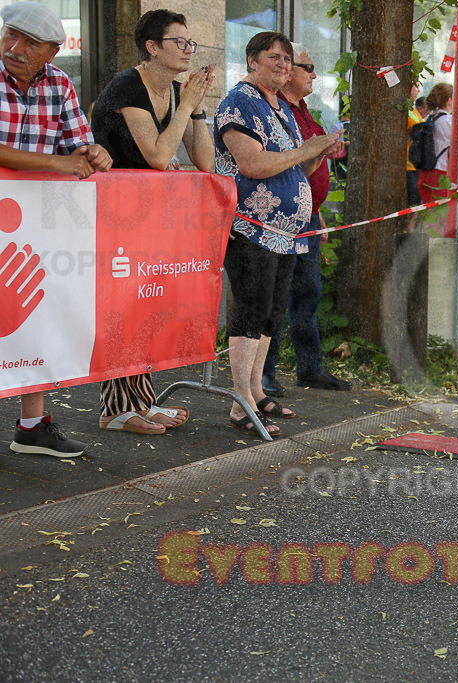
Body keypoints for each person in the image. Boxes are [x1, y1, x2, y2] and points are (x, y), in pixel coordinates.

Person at [90, 8, 214, 435]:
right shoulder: (128, 85)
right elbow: (159, 157)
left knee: (145, 304)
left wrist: (194, 109)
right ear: (152, 47)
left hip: (146, 216)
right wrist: (186, 107)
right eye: (179, 42)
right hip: (112, 212)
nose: (188, 50)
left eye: (190, 42)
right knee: (122, 307)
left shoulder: (177, 91)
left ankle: (141, 400)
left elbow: (205, 160)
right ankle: (116, 409)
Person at [0, 1, 113, 458]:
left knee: (35, 317)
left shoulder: (59, 82)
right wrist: (58, 162)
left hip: (34, 223)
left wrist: (94, 154)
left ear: (52, 50)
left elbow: (78, 145)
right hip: (17, 215)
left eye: (30, 42)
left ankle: (32, 425)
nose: (15, 47)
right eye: (10, 34)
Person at [215, 31, 341, 437]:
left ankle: (255, 391)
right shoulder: (239, 101)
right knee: (251, 308)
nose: (284, 65)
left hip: (287, 231)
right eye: (275, 58)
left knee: (270, 312)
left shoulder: (281, 108)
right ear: (252, 60)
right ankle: (240, 402)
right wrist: (307, 149)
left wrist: (316, 153)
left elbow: (291, 170)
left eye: (288, 59)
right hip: (249, 225)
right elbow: (252, 164)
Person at [261, 43, 352, 396]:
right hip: (282, 218)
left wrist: (317, 213)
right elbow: (287, 166)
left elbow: (308, 168)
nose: (313, 75)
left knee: (308, 293)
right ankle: (264, 373)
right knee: (275, 296)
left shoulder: (305, 110)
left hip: (308, 216)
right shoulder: (276, 111)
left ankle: (310, 367)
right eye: (308, 67)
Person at [416, 82, 453, 205]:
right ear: (449, 100)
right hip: (440, 172)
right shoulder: (448, 121)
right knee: (439, 214)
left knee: (428, 212)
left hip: (425, 171)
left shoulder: (432, 118)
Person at [405, 81, 423, 208]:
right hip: (407, 163)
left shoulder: (413, 110)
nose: (418, 90)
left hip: (416, 163)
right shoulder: (404, 109)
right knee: (412, 203)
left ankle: (410, 228)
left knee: (416, 203)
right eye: (416, 86)